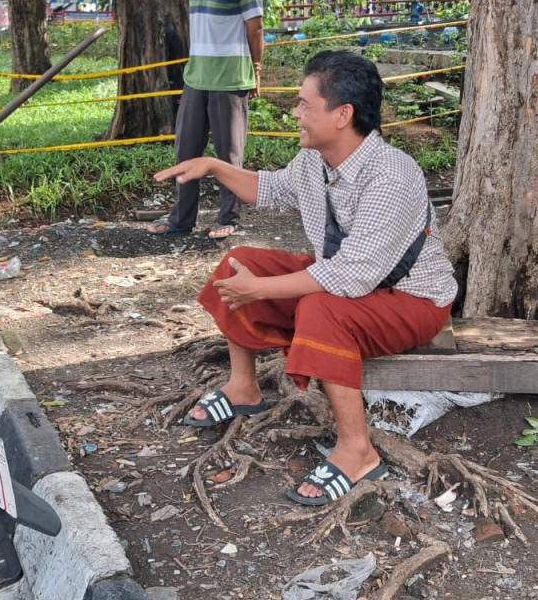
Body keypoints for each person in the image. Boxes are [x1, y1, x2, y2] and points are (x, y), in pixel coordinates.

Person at [156, 50, 456, 505]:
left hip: (412, 300)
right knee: (241, 262)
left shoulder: (392, 175)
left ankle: (358, 450)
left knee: (321, 307)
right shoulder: (314, 162)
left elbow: (350, 276)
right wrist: (214, 167)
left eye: (303, 105)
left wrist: (261, 291)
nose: (293, 113)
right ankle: (243, 387)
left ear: (343, 115)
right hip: (349, 282)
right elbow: (272, 191)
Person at [148, 0, 263, 241]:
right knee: (186, 152)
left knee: (229, 156)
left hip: (230, 79)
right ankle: (181, 219)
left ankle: (228, 217)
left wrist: (256, 70)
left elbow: (255, 28)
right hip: (196, 77)